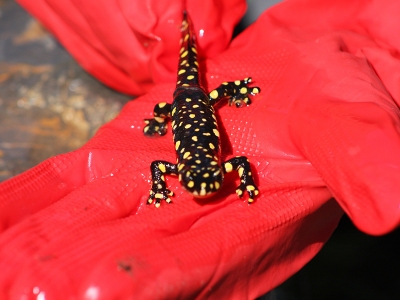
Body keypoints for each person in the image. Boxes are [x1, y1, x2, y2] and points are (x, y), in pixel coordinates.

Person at [0, 0, 399, 298]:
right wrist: (166, 141)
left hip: (197, 100)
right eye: (199, 182)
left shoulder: (215, 167)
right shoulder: (197, 168)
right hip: (190, 100)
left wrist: (234, 180)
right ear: (193, 172)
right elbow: (189, 164)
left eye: (204, 182)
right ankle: (187, 44)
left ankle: (206, 65)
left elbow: (232, 162)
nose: (203, 190)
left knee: (206, 93)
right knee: (188, 95)